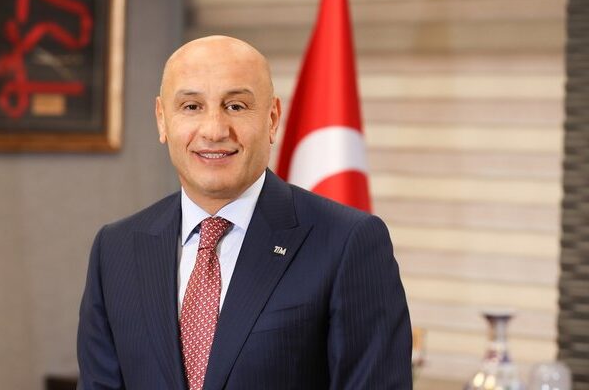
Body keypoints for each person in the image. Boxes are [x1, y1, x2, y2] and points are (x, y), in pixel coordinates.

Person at [77, 35, 412, 389]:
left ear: (272, 118)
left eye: (236, 106)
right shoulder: (115, 249)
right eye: (191, 106)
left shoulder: (348, 242)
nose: (214, 130)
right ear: (162, 119)